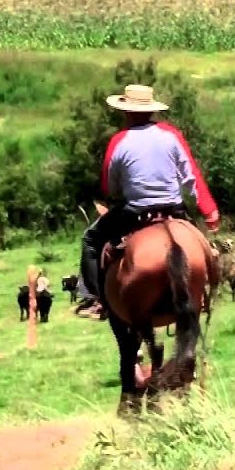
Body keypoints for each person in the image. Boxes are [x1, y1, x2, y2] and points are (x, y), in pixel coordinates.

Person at [79, 84, 222, 320]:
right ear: (151, 110)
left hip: (134, 212)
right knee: (202, 247)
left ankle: (95, 299)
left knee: (91, 240)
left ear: (126, 112)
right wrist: (209, 211)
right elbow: (191, 177)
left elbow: (108, 186)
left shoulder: (119, 141)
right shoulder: (172, 135)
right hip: (174, 210)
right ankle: (205, 292)